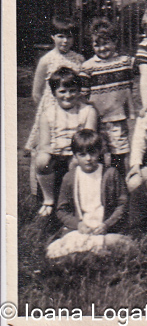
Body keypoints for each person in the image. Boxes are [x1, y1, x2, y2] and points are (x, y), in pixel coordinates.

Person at [46, 130, 130, 259]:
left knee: (119, 243)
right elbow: (62, 210)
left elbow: (122, 204)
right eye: (82, 155)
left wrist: (107, 224)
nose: (88, 159)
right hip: (81, 230)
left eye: (92, 153)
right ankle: (91, 251)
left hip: (105, 230)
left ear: (99, 152)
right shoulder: (70, 177)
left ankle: (93, 250)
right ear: (75, 156)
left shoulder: (110, 173)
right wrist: (78, 224)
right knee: (55, 250)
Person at [35, 67, 98, 216]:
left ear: (79, 91)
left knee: (76, 163)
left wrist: (75, 154)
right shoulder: (48, 114)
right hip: (56, 153)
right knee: (41, 160)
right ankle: (48, 199)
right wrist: (53, 151)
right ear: (54, 93)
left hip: (78, 153)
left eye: (72, 90)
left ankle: (71, 204)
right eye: (62, 91)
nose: (68, 96)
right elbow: (44, 144)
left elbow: (89, 141)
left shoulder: (87, 111)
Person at [79, 18, 135, 172]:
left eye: (106, 43)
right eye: (97, 45)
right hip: (96, 120)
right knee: (98, 156)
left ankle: (119, 188)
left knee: (119, 156)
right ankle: (101, 187)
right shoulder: (87, 67)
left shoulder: (125, 62)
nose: (102, 48)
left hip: (118, 119)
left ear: (115, 41)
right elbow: (83, 96)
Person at [25, 16, 85, 158]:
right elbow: (36, 92)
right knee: (45, 147)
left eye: (69, 37)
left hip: (71, 105)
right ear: (53, 36)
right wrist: (46, 110)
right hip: (51, 107)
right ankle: (39, 176)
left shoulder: (79, 59)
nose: (65, 41)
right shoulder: (46, 60)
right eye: (60, 36)